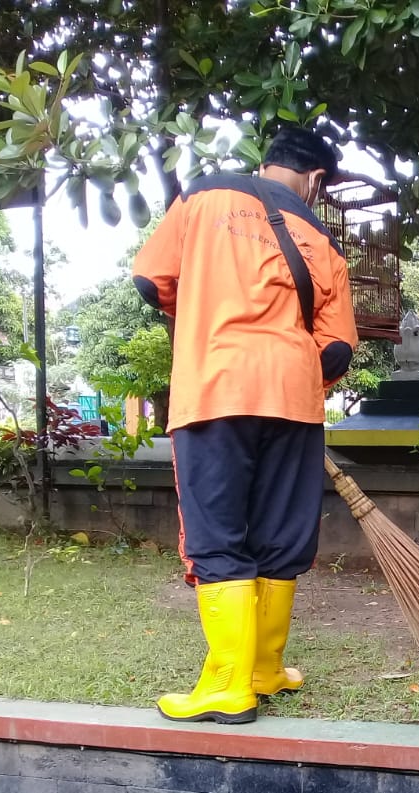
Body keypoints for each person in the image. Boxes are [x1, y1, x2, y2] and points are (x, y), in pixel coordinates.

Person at [132, 127, 359, 724]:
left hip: (213, 390)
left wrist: (207, 310)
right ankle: (264, 669)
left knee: (218, 532)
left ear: (266, 163)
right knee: (279, 535)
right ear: (316, 180)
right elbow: (336, 351)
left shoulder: (200, 196)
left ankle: (230, 685)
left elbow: (148, 282)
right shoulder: (323, 241)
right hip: (294, 397)